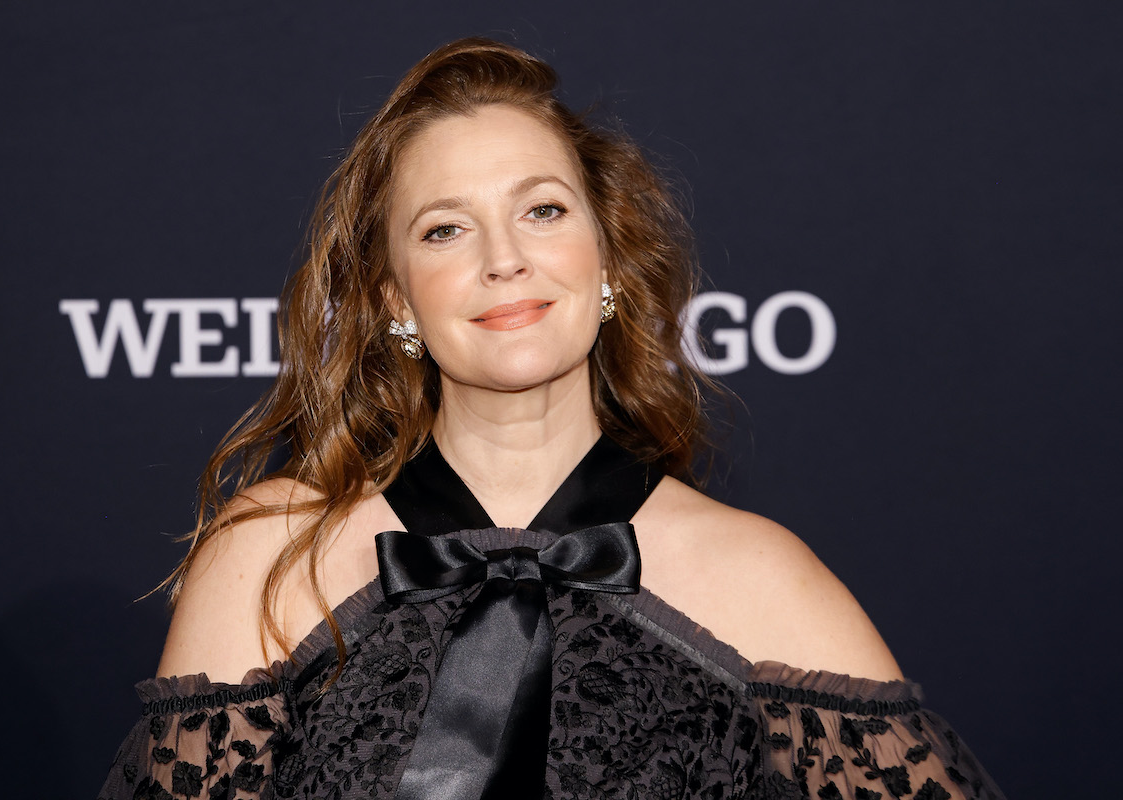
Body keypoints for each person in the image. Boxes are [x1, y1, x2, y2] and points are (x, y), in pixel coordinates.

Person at [100, 38, 1002, 800]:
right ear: (392, 302)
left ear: (606, 259)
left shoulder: (760, 577)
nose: (505, 260)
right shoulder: (271, 554)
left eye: (543, 210)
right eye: (445, 230)